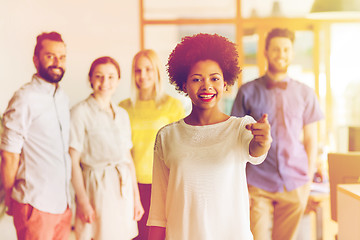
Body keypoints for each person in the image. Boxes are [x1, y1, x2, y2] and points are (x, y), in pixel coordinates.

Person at [147, 33, 272, 240]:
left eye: (215, 78)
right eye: (197, 79)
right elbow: (158, 212)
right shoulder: (167, 137)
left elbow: (256, 150)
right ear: (184, 85)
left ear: (225, 84)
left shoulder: (241, 128)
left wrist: (264, 141)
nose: (207, 86)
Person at [231, 28, 324, 240]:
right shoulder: (247, 91)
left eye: (285, 49)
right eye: (275, 49)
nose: (280, 54)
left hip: (295, 182)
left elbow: (311, 140)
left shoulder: (305, 93)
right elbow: (236, 141)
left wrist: (307, 180)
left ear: (291, 53)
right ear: (265, 51)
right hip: (257, 182)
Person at [0, 31, 72, 239]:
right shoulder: (24, 98)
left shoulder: (63, 98)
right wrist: (13, 199)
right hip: (34, 203)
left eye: (62, 56)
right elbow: (9, 155)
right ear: (36, 59)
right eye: (50, 56)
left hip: (62, 204)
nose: (57, 62)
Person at [69, 56, 144, 240]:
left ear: (118, 80)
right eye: (99, 76)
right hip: (96, 189)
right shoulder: (80, 112)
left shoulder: (122, 114)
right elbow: (72, 161)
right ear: (90, 79)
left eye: (111, 77)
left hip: (123, 187)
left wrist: (136, 198)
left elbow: (128, 158)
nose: (105, 82)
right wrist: (83, 202)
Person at [119, 49, 185, 240]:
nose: (143, 75)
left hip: (163, 183)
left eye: (148, 69)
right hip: (132, 184)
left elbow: (179, 149)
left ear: (157, 71)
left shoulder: (173, 106)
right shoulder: (123, 107)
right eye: (138, 70)